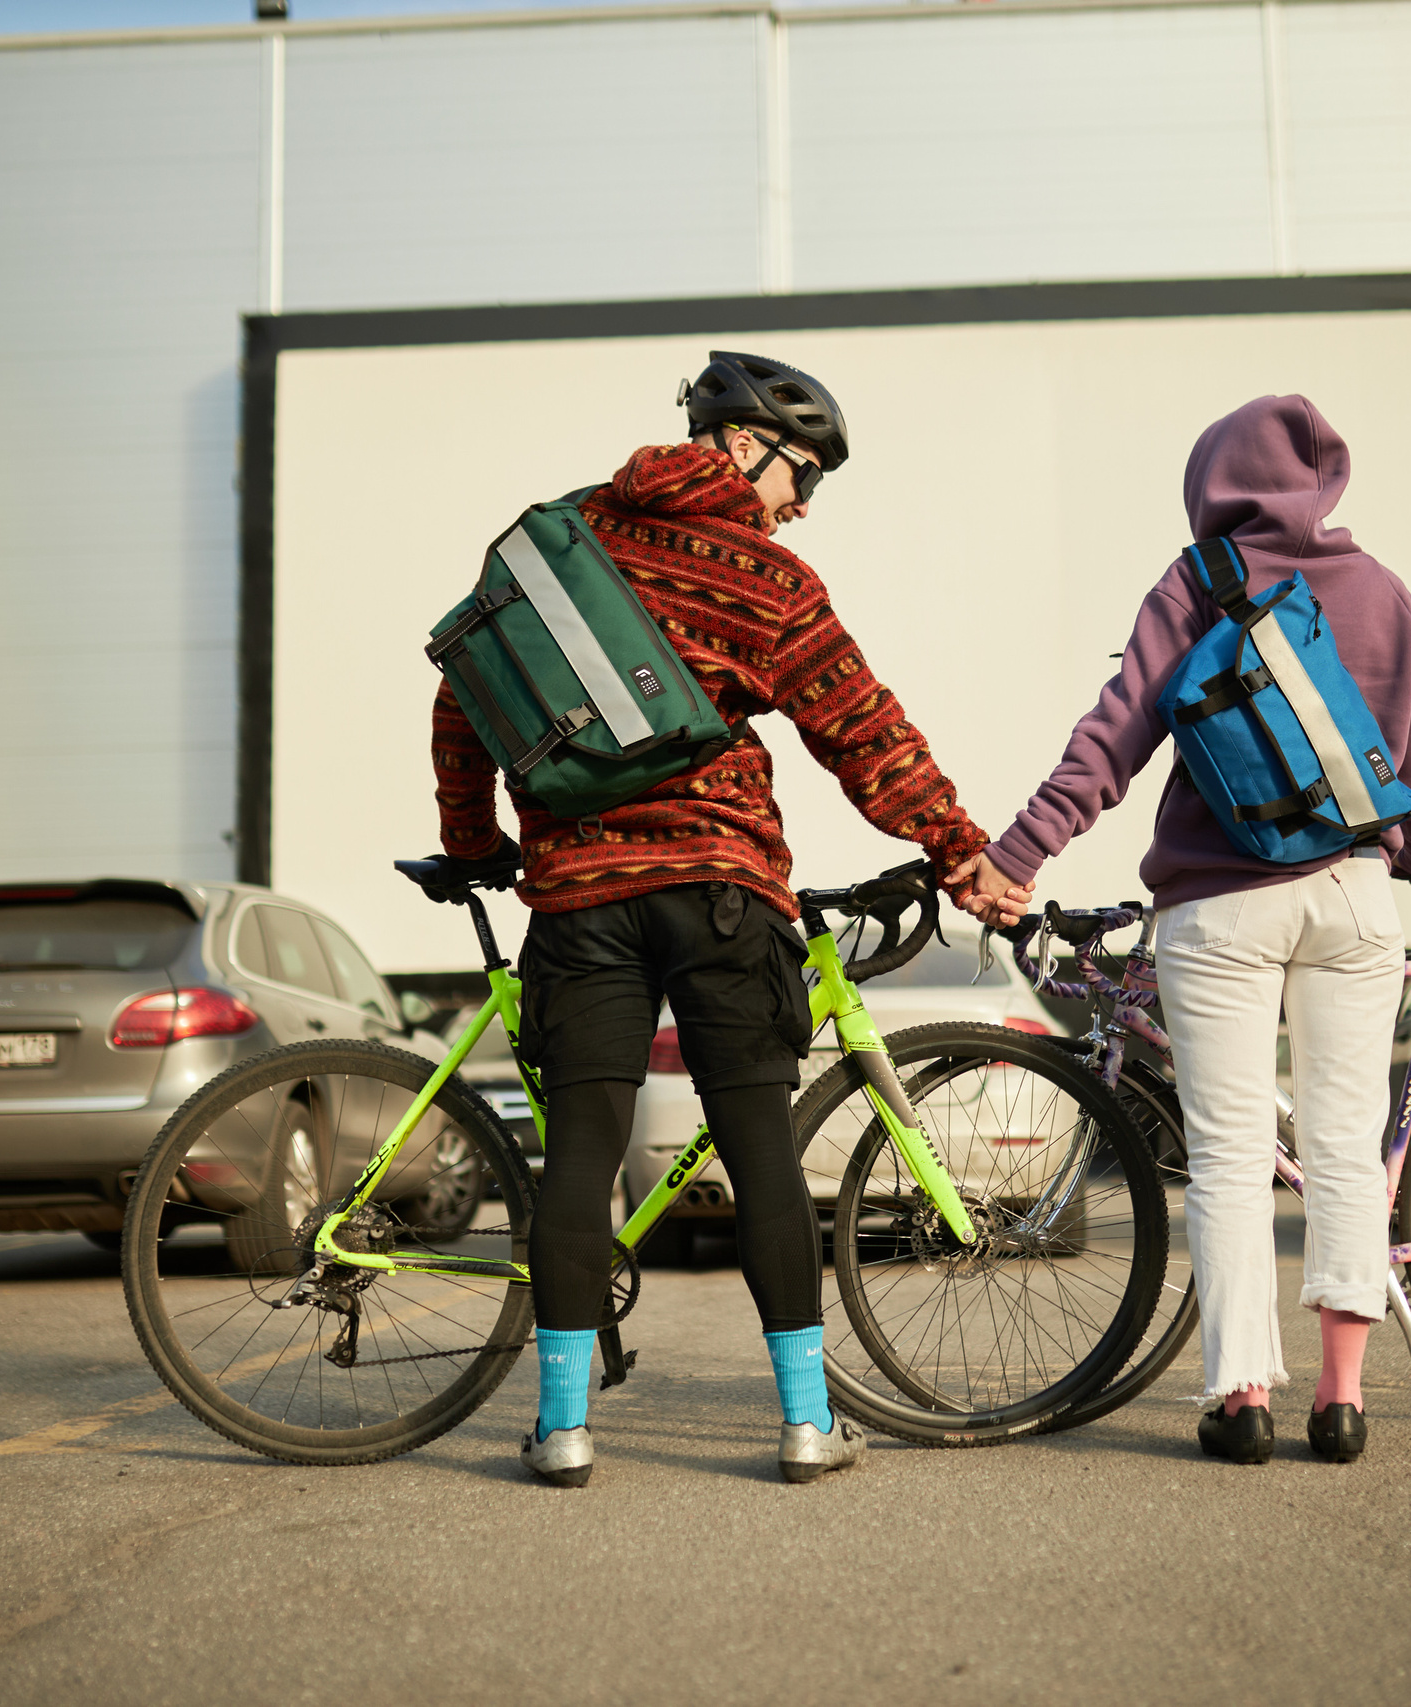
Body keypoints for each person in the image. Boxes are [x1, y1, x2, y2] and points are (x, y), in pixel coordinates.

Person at [430, 350, 1030, 1487]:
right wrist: (960, 852)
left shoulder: (557, 538)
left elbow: (465, 695)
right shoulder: (768, 578)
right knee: (760, 1156)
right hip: (719, 887)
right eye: (800, 473)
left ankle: (562, 1433)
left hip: (579, 898)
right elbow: (862, 729)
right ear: (740, 447)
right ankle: (806, 1427)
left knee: (581, 1157)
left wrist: (478, 847)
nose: (803, 505)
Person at [958, 395, 1411, 1465]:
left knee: (1229, 1158)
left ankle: (1240, 1401)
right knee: (1343, 1151)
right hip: (1353, 899)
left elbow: (1116, 732)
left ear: (1212, 484)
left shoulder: (1197, 581)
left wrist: (1020, 853)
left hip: (1217, 905)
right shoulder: (1384, 592)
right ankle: (1340, 1398)